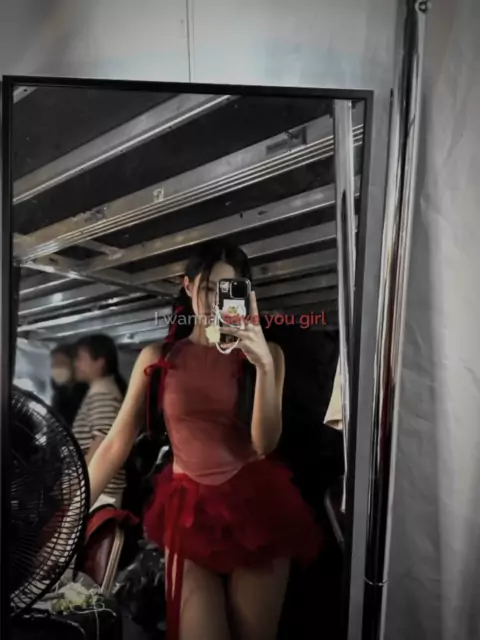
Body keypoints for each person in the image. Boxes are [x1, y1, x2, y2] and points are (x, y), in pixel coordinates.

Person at [86, 240, 321, 640]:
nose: (216, 302)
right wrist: (70, 517)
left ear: (245, 296)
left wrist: (264, 365)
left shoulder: (267, 355)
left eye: (230, 290)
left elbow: (265, 444)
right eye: (210, 288)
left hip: (256, 509)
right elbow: (115, 444)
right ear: (188, 286)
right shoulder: (158, 357)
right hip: (189, 512)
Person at [73, 334, 127, 508]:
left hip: (98, 492)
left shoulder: (103, 392)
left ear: (100, 362)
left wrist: (76, 483)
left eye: (81, 359)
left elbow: (101, 442)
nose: (76, 364)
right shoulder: (103, 389)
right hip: (98, 489)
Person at [50, 344, 88, 427]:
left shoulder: (88, 394)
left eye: (62, 363)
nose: (57, 368)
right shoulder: (58, 396)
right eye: (54, 364)